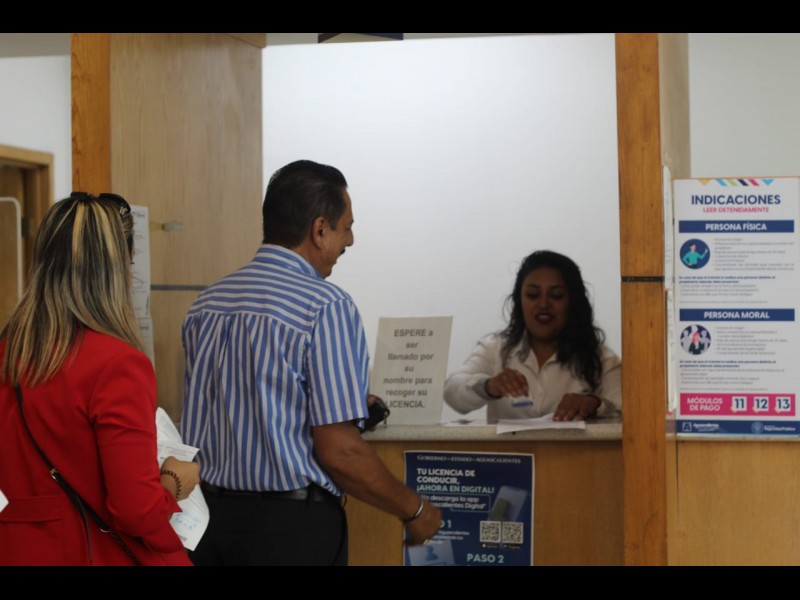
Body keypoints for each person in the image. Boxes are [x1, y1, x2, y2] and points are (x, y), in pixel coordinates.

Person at [181, 160, 441, 566]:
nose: (350, 240)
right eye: (346, 228)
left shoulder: (207, 304)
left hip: (205, 526)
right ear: (319, 230)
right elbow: (340, 452)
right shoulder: (326, 306)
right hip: (290, 532)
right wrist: (416, 509)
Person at [0, 192, 199, 566]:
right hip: (93, 553)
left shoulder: (8, 353)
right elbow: (136, 511)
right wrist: (175, 481)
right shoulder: (117, 365)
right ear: (118, 268)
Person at [444, 250, 621, 424]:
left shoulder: (603, 358)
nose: (543, 304)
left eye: (556, 296)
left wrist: (594, 403)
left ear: (573, 302)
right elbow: (451, 390)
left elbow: (625, 408)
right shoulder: (495, 348)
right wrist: (489, 386)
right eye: (533, 295)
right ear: (519, 301)